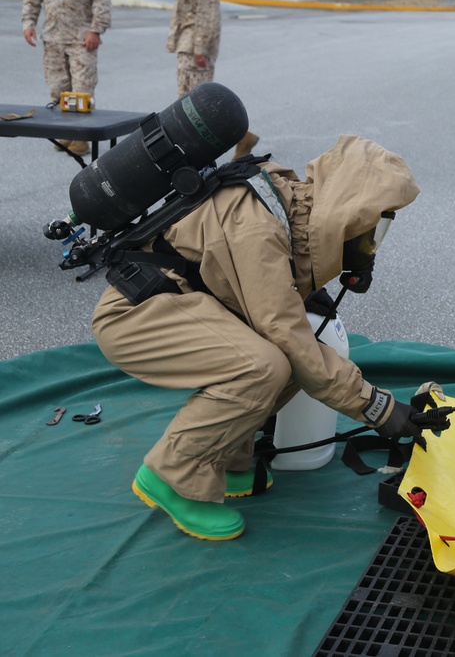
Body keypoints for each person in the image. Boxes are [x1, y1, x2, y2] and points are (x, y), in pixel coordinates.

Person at [92, 135, 423, 541]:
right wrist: (378, 408)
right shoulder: (258, 227)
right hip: (137, 315)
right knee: (266, 364)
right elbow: (287, 335)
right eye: (372, 226)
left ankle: (228, 460)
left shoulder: (287, 204)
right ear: (348, 211)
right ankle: (172, 474)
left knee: (285, 359)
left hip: (179, 304)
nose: (371, 242)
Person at [167, 0, 258, 158]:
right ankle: (242, 138)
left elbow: (208, 12)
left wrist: (200, 49)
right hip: (187, 44)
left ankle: (239, 137)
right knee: (189, 106)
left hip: (194, 48)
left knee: (194, 108)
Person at [21, 0, 112, 157]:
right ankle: (68, 132)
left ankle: (82, 137)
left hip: (82, 38)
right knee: (58, 88)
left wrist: (96, 30)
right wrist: (28, 24)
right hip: (53, 37)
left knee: (82, 88)